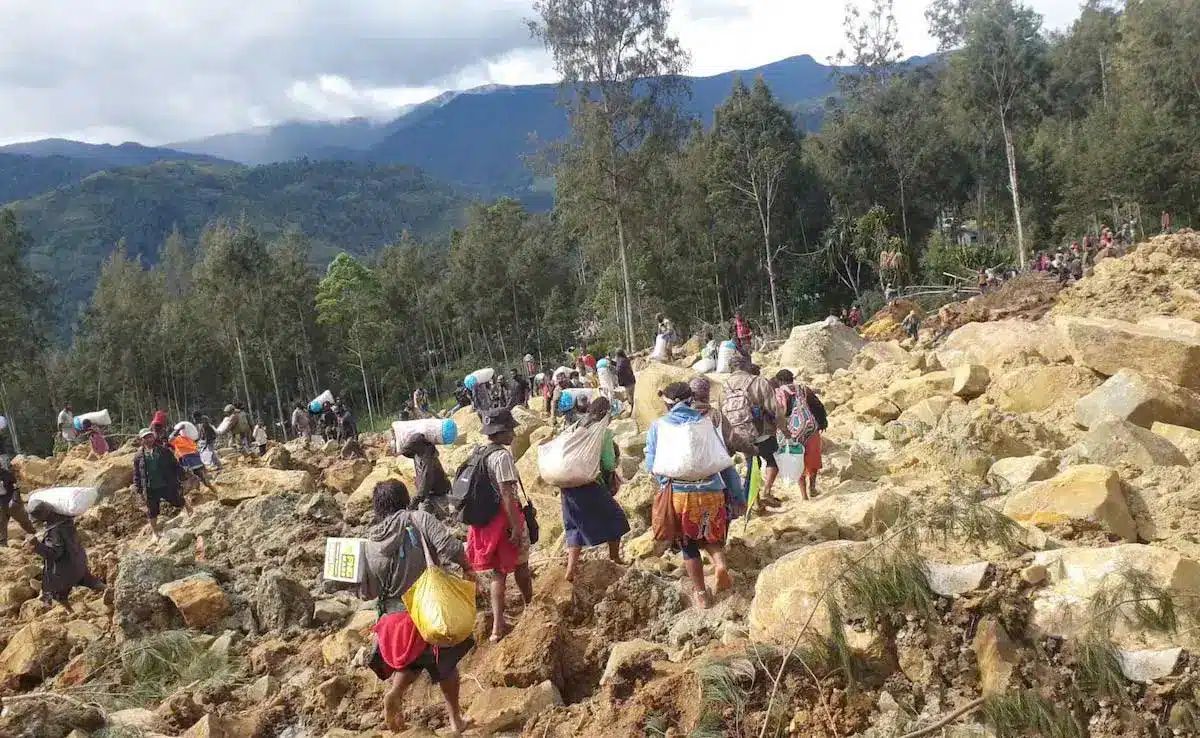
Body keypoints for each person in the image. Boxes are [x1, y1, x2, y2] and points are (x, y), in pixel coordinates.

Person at [362, 480, 475, 734]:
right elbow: (449, 547)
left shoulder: (370, 543)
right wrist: (467, 568)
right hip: (428, 610)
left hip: (393, 621)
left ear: (378, 509)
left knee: (411, 663)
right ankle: (456, 720)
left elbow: (367, 590)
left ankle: (395, 692)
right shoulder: (419, 519)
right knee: (446, 667)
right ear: (404, 498)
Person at [646, 383, 734, 609]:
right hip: (712, 491)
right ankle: (720, 563)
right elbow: (723, 460)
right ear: (690, 399)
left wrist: (665, 483)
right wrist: (738, 496)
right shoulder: (706, 422)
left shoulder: (658, 426)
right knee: (711, 537)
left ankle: (702, 594)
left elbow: (652, 464)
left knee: (688, 544)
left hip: (681, 495)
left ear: (667, 403)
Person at [465, 409, 533, 642]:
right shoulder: (502, 457)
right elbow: (507, 493)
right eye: (510, 430)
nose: (514, 434)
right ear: (501, 432)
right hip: (505, 520)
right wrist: (516, 526)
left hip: (486, 524)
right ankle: (530, 606)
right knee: (521, 565)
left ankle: (497, 627)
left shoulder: (480, 452)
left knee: (498, 573)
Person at [558, 397, 630, 582]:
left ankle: (571, 570)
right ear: (606, 414)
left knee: (574, 525)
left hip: (567, 486)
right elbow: (608, 463)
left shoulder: (574, 427)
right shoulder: (602, 433)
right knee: (616, 518)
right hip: (590, 485)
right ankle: (614, 557)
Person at [722, 355, 782, 515]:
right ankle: (767, 491)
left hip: (739, 436)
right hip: (761, 431)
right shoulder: (759, 381)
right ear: (746, 366)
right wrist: (783, 428)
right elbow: (774, 408)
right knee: (773, 460)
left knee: (752, 466)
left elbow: (721, 414)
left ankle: (754, 502)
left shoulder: (724, 387)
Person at [25, 504, 104, 613]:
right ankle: (112, 592)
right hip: (78, 561)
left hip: (64, 570)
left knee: (58, 594)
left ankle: (69, 612)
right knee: (90, 581)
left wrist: (36, 545)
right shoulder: (66, 522)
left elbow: (54, 553)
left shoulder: (54, 531)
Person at [687, 377, 750, 514]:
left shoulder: (681, 415)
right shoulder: (715, 415)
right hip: (715, 467)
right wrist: (752, 449)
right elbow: (732, 440)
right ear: (706, 394)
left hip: (687, 467)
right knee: (734, 484)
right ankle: (739, 506)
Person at [774, 370, 828, 501]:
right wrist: (822, 423)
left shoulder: (779, 392)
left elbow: (778, 413)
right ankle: (813, 488)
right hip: (809, 429)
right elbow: (818, 406)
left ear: (779, 381)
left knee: (798, 460)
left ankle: (804, 495)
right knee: (813, 459)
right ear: (792, 379)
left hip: (791, 432)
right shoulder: (803, 389)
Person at [133, 427, 193, 539]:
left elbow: (175, 465)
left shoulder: (163, 451)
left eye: (150, 436)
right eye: (146, 438)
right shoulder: (138, 456)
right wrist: (139, 490)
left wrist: (183, 477)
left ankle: (190, 510)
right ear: (141, 440)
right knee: (152, 511)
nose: (149, 439)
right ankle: (155, 533)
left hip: (166, 483)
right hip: (150, 487)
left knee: (177, 500)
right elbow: (137, 474)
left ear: (153, 437)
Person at [398, 435, 452, 518]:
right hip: (426, 494)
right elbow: (405, 452)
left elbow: (426, 481)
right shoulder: (417, 454)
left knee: (446, 518)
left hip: (438, 493)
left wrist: (415, 500)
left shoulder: (428, 458)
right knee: (423, 518)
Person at [0, 426, 35, 544]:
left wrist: (15, 500)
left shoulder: (6, 474)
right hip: (1, 504)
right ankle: (3, 548)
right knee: (1, 527)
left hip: (11, 502)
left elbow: (15, 486)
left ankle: (34, 537)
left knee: (25, 522)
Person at [169, 426, 217, 494]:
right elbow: (170, 440)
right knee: (198, 480)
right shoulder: (182, 439)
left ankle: (209, 492)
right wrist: (178, 430)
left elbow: (170, 439)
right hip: (190, 463)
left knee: (198, 480)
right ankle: (208, 492)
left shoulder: (187, 439)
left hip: (191, 463)